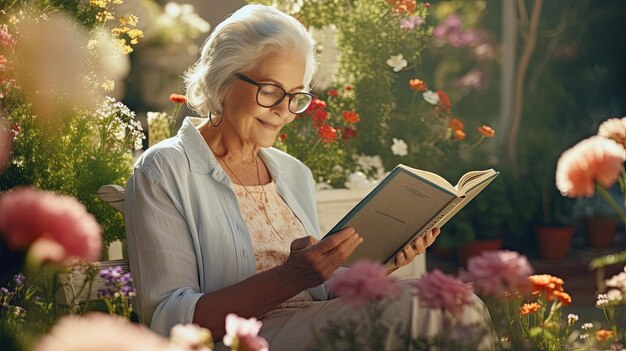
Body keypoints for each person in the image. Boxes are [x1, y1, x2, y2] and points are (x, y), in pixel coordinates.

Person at [124, 4, 489, 350]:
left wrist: (384, 262)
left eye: (296, 96)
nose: (284, 111)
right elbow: (169, 322)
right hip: (244, 341)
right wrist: (289, 278)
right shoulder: (164, 169)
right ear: (222, 79)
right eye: (270, 91)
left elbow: (324, 295)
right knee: (420, 309)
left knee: (455, 300)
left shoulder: (294, 174)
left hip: (315, 327)